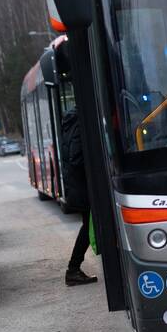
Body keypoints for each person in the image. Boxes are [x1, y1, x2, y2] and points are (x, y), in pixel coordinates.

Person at [60, 107, 98, 286]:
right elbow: (77, 159)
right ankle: (73, 269)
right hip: (83, 187)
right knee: (90, 226)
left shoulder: (70, 124)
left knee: (90, 225)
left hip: (78, 186)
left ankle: (74, 269)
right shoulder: (79, 126)